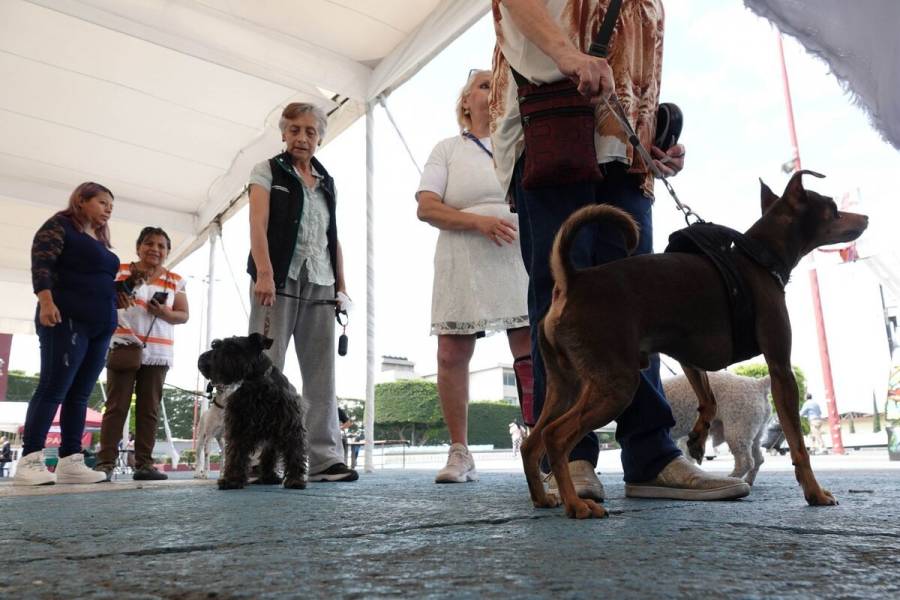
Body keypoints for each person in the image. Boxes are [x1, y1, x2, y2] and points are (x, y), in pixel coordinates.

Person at [490, 0, 749, 500]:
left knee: (640, 304)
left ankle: (650, 455)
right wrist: (568, 55)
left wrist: (650, 137)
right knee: (562, 295)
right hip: (552, 127)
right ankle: (569, 456)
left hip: (624, 150)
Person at [417, 69, 532, 484]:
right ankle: (460, 451)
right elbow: (426, 208)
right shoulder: (446, 149)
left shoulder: (519, 143)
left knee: (528, 351)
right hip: (460, 254)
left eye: (498, 85)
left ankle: (543, 444)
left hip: (516, 253)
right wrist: (477, 222)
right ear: (465, 102)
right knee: (450, 353)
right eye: (484, 85)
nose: (493, 89)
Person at [247, 102, 357, 482]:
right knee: (263, 371)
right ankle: (261, 460)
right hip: (276, 282)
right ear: (283, 133)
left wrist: (342, 287)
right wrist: (264, 273)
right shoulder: (267, 171)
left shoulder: (327, 181)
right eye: (294, 129)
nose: (302, 137)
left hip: (321, 283)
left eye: (310, 131)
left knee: (322, 374)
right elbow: (257, 225)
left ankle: (325, 459)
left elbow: (333, 238)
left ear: (320, 137)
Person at [14, 182, 117, 486]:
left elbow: (102, 282)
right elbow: (42, 261)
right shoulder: (59, 225)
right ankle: (30, 459)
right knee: (53, 387)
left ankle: (71, 459)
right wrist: (45, 300)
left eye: (111, 206)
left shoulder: (97, 242)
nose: (108, 209)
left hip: (101, 325)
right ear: (81, 201)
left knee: (80, 394)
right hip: (66, 318)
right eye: (102, 202)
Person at [94, 227, 189, 481]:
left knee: (150, 409)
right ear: (138, 247)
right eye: (149, 244)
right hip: (123, 345)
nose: (155, 249)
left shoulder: (175, 279)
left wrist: (165, 313)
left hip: (158, 351)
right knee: (116, 406)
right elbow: (100, 297)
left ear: (168, 251)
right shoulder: (120, 269)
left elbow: (183, 315)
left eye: (161, 246)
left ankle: (144, 464)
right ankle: (105, 464)